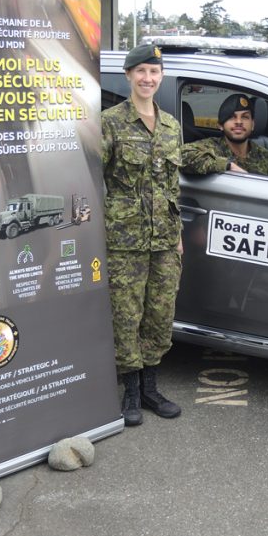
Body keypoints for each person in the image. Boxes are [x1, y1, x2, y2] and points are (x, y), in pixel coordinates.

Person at [101, 44, 184, 427]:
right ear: (128, 75)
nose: (148, 78)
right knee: (126, 316)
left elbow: (172, 187)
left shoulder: (171, 127)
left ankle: (151, 387)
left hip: (165, 240)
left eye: (154, 72)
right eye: (141, 72)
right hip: (124, 240)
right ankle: (131, 390)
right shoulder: (110, 122)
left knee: (159, 315)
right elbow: (93, 179)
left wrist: (178, 234)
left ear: (161, 76)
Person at [180, 93, 268, 178]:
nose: (239, 122)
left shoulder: (267, 157)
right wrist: (228, 166)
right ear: (220, 125)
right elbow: (182, 156)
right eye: (232, 117)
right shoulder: (211, 147)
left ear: (253, 124)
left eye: (245, 117)